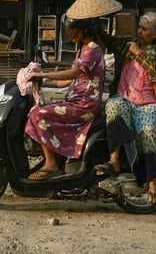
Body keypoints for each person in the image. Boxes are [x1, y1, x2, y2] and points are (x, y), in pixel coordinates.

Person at [96, 11, 156, 204]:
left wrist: (139, 53)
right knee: (113, 106)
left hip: (147, 103)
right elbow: (105, 39)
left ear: (155, 34)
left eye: (145, 29)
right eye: (139, 27)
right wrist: (94, 18)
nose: (140, 31)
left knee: (147, 134)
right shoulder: (127, 43)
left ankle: (153, 185)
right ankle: (114, 161)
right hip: (124, 99)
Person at [24, 19, 105, 180]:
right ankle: (56, 159)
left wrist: (43, 74)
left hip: (84, 105)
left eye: (73, 29)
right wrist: (42, 83)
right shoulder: (82, 49)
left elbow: (72, 73)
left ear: (84, 29)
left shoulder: (93, 49)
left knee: (38, 115)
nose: (69, 33)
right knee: (42, 110)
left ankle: (51, 164)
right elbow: (68, 81)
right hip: (76, 101)